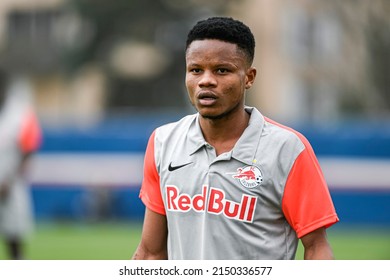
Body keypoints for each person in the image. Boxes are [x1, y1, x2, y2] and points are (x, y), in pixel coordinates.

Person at [132, 16, 339, 260]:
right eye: (196, 70)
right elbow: (151, 253)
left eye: (222, 70)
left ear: (249, 77)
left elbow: (316, 247)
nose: (206, 80)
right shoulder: (163, 142)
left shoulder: (287, 149)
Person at [0, 73, 42, 259]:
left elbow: (30, 147)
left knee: (14, 241)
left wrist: (9, 180)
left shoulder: (19, 113)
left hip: (10, 186)